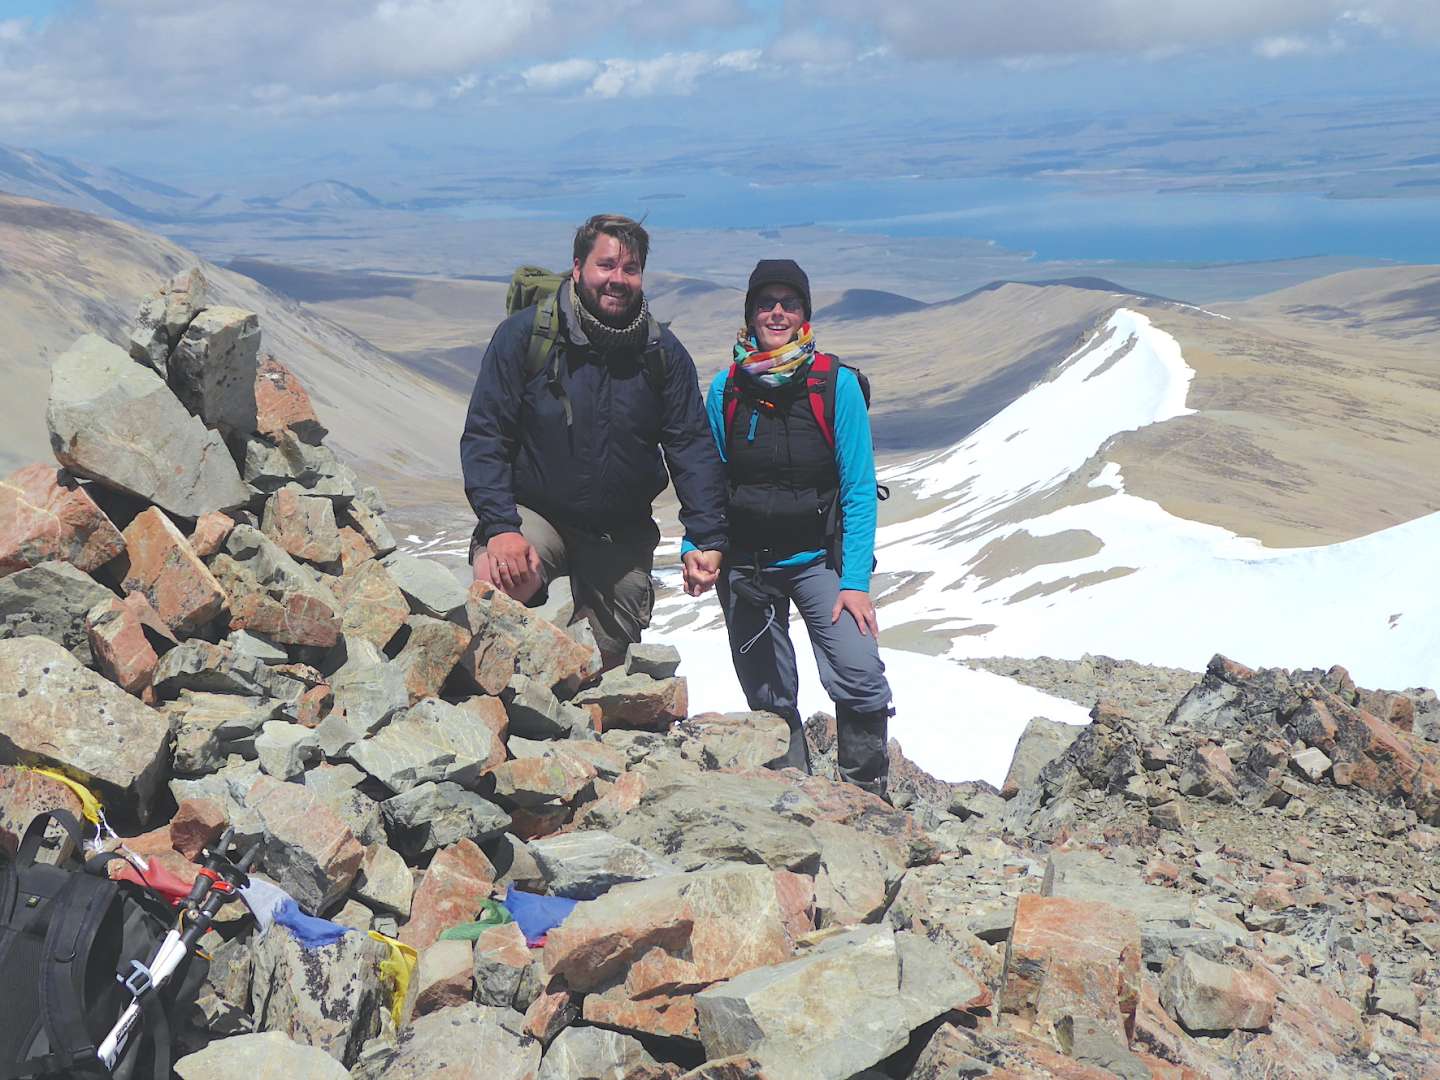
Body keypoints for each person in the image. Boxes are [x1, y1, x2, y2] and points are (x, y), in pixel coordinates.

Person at [461, 214, 727, 667]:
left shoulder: (662, 354)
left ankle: (578, 723)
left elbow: (691, 447)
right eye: (606, 266)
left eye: (630, 269)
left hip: (617, 531)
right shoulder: (526, 337)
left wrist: (706, 536)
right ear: (578, 267)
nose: (617, 280)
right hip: (537, 512)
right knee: (500, 580)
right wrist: (500, 527)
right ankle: (484, 703)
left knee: (603, 664)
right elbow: (486, 435)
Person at [688, 258, 893, 797]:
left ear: (804, 314)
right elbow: (706, 483)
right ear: (750, 313)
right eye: (765, 303)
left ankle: (864, 797)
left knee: (859, 673)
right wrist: (697, 544)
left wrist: (854, 584)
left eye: (789, 303)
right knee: (768, 696)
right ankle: (794, 802)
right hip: (747, 566)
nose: (777, 312)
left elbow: (857, 489)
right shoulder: (727, 390)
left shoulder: (835, 385)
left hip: (819, 562)